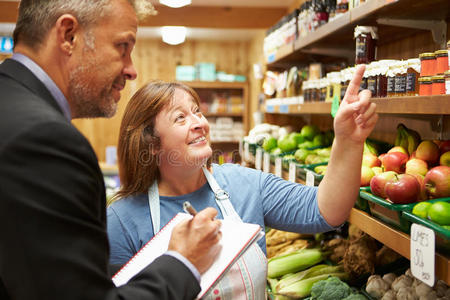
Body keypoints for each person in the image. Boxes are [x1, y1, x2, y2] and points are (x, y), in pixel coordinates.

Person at [0, 0, 222, 299]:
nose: (132, 71)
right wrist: (184, 262)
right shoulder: (44, 139)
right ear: (68, 35)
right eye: (122, 47)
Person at [107, 65, 378, 299]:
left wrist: (348, 141)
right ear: (151, 144)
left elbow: (325, 210)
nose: (199, 122)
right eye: (180, 117)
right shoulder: (120, 221)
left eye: (197, 111)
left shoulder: (244, 183)